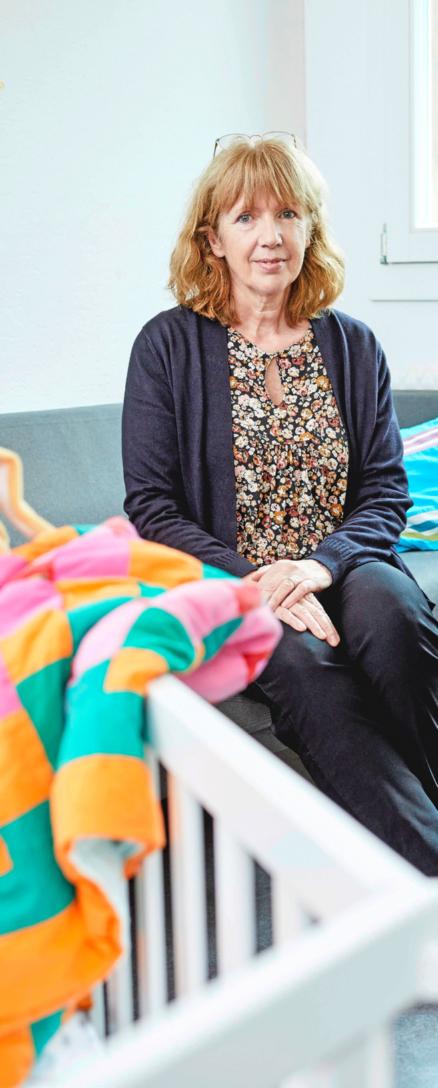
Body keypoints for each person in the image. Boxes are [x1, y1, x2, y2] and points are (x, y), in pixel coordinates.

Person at [122, 132, 438, 875]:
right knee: (300, 664)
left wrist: (320, 566)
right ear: (213, 239)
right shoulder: (167, 346)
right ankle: (426, 871)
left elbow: (385, 490)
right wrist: (256, 580)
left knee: (392, 616)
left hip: (343, 562)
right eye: (246, 217)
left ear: (310, 229)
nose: (270, 236)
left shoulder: (353, 345)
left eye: (288, 214)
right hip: (237, 580)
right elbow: (154, 507)